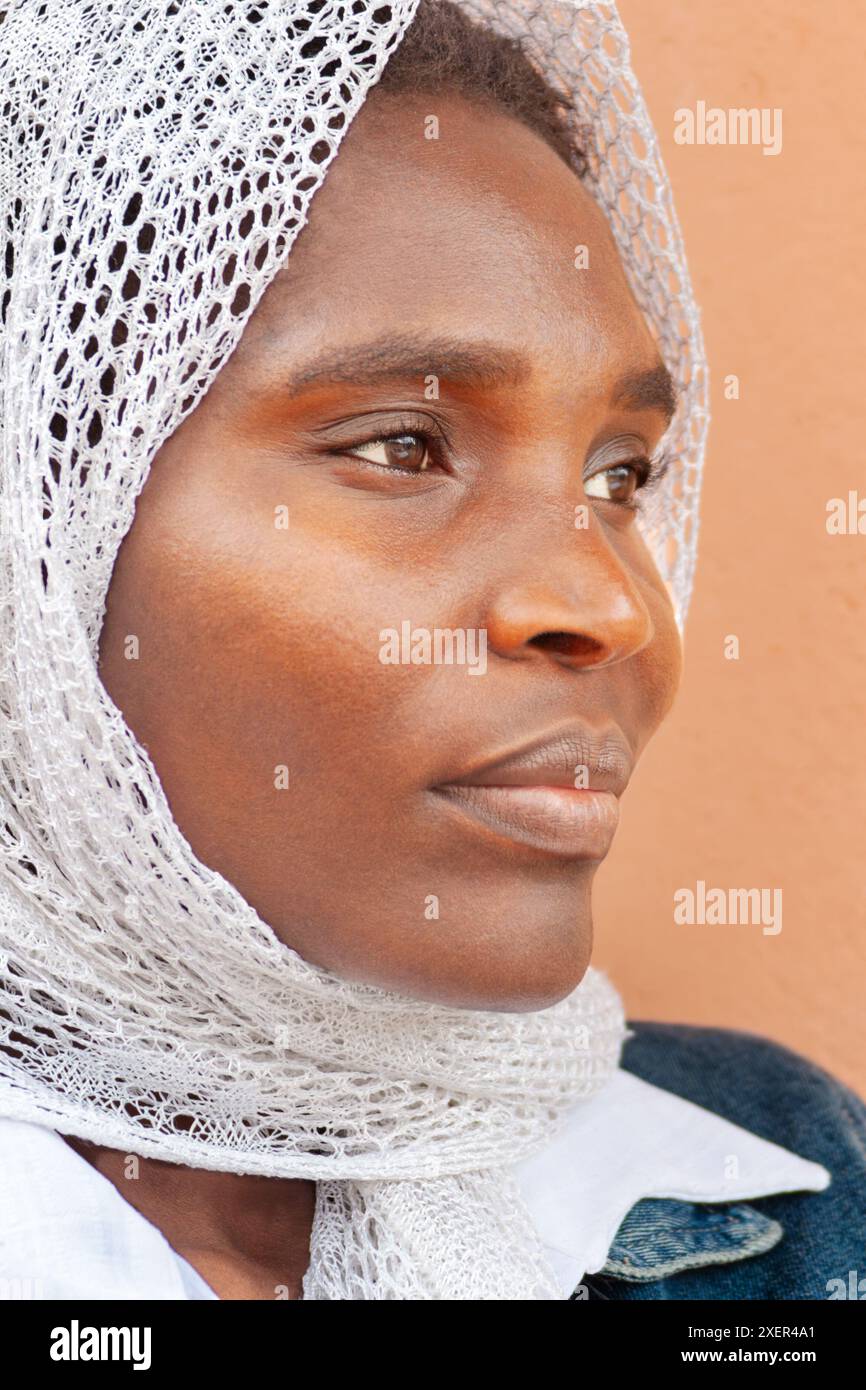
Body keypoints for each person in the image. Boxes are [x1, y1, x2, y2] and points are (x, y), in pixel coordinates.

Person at [0, 0, 862, 1302]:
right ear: (40, 535)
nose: (615, 608)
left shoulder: (792, 1184)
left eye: (619, 473)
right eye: (404, 445)